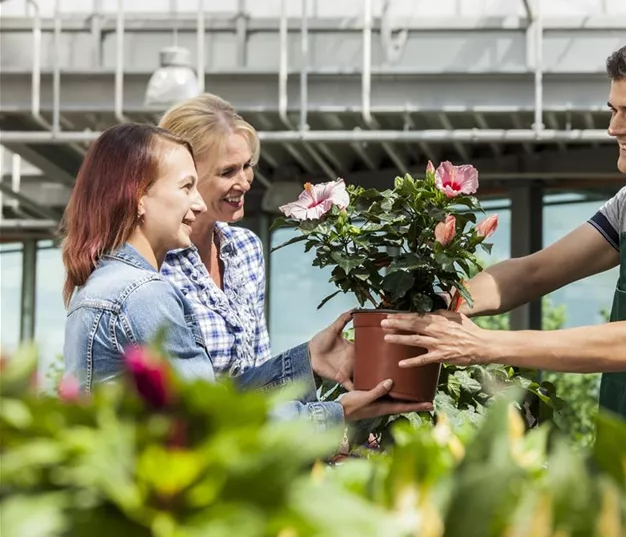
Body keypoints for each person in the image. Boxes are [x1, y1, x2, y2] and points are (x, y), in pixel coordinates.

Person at [380, 31, 626, 450]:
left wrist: (482, 344)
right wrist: (438, 306)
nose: (614, 128)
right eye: (614, 110)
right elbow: (533, 273)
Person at [61, 123, 431, 430]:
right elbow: (216, 418)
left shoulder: (104, 283)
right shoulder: (143, 294)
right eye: (186, 187)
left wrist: (306, 360)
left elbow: (207, 395)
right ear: (139, 197)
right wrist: (338, 414)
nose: (199, 204)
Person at [155, 94, 272, 377]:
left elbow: (260, 366)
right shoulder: (154, 262)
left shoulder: (246, 248)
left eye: (246, 166)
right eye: (227, 171)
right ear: (185, 177)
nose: (244, 182)